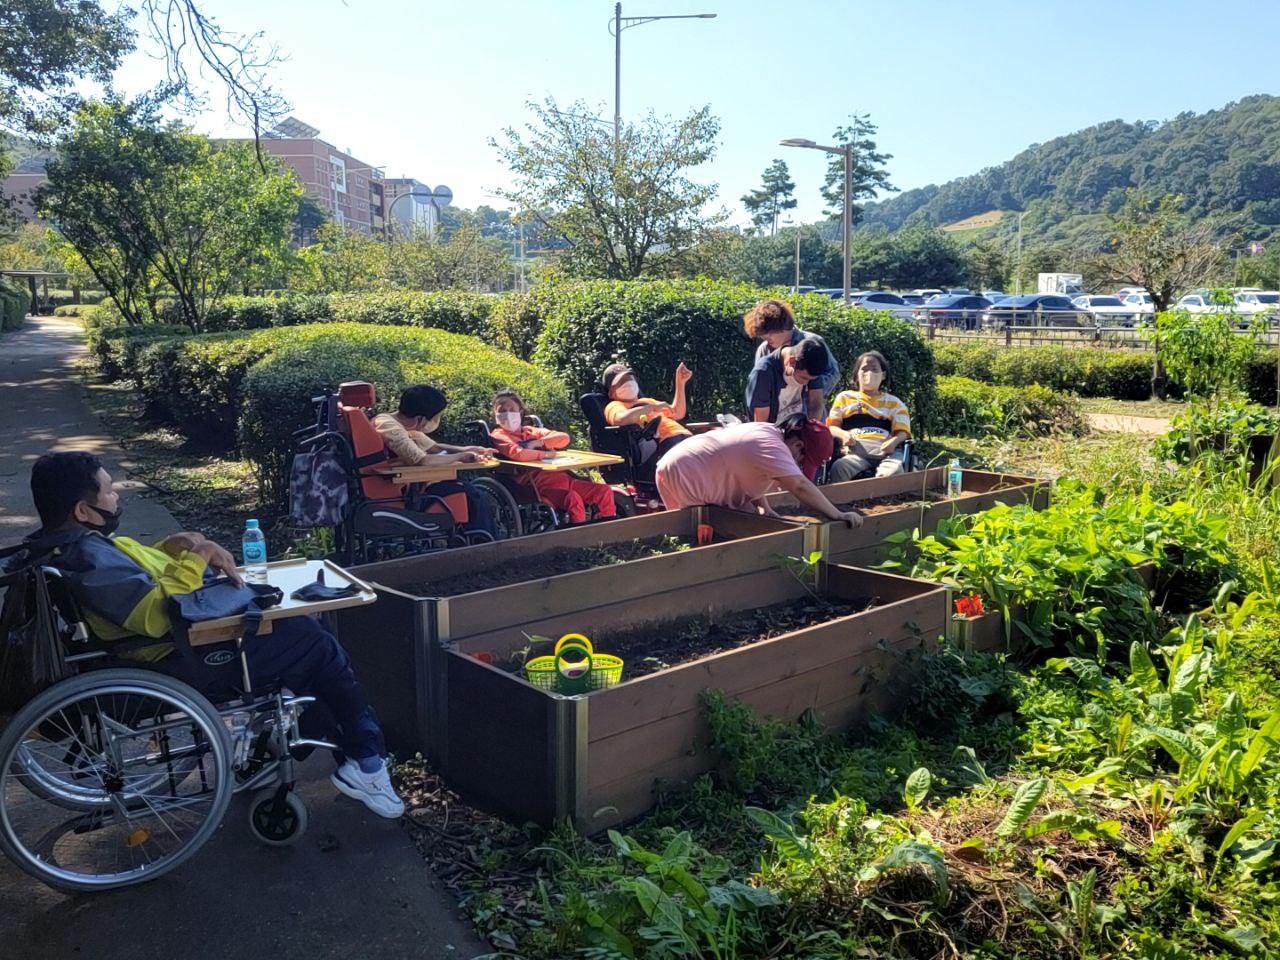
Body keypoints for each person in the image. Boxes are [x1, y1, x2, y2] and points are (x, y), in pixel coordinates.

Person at [21, 452, 404, 818]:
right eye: (107, 490)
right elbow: (155, 616)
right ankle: (366, 760)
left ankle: (338, 748)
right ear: (83, 511)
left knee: (300, 631)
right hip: (175, 660)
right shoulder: (89, 558)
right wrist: (199, 557)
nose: (116, 495)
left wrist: (179, 545)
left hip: (173, 649)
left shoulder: (78, 548)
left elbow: (140, 572)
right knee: (316, 646)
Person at [656, 414, 864, 527]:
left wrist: (765, 507)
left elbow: (745, 469)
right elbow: (800, 486)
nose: (799, 467)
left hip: (674, 466)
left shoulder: (769, 431)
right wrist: (837, 514)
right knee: (702, 533)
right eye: (802, 462)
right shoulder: (773, 446)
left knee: (684, 531)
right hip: (686, 473)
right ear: (799, 446)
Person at [373, 384, 497, 538]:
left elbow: (434, 448)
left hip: (413, 485)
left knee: (470, 492)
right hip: (404, 491)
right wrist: (460, 457)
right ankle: (482, 545)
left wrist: (470, 449)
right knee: (473, 495)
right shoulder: (389, 426)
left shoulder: (403, 425)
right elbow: (422, 460)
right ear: (421, 419)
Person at [489, 388, 617, 525]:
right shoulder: (499, 435)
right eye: (502, 411)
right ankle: (579, 539)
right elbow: (519, 454)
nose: (507, 414)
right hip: (536, 485)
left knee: (604, 491)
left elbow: (564, 438)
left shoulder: (532, 431)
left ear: (520, 412)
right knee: (572, 498)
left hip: (564, 478)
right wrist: (545, 454)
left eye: (512, 409)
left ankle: (609, 529)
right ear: (495, 415)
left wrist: (538, 442)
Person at [826, 350, 912, 483]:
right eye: (865, 369)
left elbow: (903, 433)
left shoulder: (895, 403)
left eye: (874, 369)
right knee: (839, 468)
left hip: (887, 452)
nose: (869, 373)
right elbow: (832, 427)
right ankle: (841, 503)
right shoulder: (845, 398)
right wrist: (843, 435)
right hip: (855, 452)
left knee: (893, 472)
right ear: (856, 375)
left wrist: (893, 442)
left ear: (883, 375)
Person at [745, 299, 839, 418]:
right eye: (762, 334)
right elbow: (760, 388)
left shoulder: (813, 343)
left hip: (808, 417)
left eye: (768, 332)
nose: (765, 337)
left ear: (783, 328)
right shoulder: (764, 350)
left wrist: (808, 385)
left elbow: (833, 373)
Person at [601, 361, 693, 480]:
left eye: (630, 378)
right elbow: (619, 419)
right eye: (622, 382)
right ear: (611, 391)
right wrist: (651, 408)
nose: (628, 383)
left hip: (685, 437)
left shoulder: (647, 401)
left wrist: (680, 383)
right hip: (664, 444)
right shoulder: (615, 405)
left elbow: (678, 413)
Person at [746, 336, 830, 424]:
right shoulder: (762, 373)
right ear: (792, 361)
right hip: (770, 432)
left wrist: (811, 429)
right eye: (803, 378)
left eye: (811, 380)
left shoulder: (811, 363)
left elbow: (816, 405)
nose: (806, 383)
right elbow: (762, 425)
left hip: (796, 431)